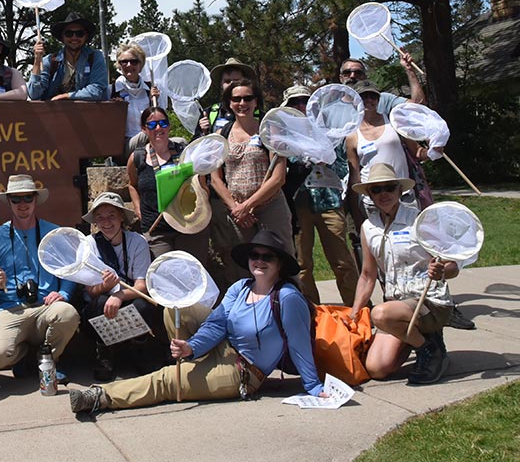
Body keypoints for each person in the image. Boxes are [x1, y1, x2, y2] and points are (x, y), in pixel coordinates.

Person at [70, 229, 323, 414]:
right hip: (223, 347)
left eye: (268, 257)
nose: (259, 261)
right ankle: (185, 359)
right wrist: (191, 347)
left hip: (243, 372)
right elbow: (216, 324)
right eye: (255, 255)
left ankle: (99, 397)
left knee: (166, 381)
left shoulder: (287, 299)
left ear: (279, 265)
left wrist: (313, 387)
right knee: (177, 308)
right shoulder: (241, 287)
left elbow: (300, 344)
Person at [349, 165, 460, 385]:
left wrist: (440, 272)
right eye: (376, 190)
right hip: (396, 306)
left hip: (429, 302)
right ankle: (416, 338)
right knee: (376, 368)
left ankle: (431, 349)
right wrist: (353, 314)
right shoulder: (368, 227)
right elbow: (367, 276)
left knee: (379, 315)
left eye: (389, 188)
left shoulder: (420, 220)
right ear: (369, 195)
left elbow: (453, 266)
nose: (383, 194)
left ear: (401, 190)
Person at [0, 176, 80, 374]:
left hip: (46, 306)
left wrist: (64, 294)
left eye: (27, 198)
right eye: (16, 199)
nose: (22, 204)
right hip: (10, 309)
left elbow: (69, 272)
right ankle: (24, 356)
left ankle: (48, 361)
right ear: (9, 202)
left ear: (36, 200)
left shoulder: (53, 233)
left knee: (67, 314)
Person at [278, 90, 359, 307]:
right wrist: (304, 159)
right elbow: (281, 171)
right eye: (295, 102)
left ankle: (358, 310)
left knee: (343, 261)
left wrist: (327, 159)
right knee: (302, 263)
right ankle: (310, 311)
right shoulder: (284, 136)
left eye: (305, 101)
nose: (301, 106)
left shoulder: (331, 132)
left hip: (329, 200)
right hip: (298, 201)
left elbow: (345, 167)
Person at [210, 77, 293, 286]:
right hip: (238, 214)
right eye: (236, 99)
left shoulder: (269, 132)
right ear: (229, 103)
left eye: (248, 98)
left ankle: (289, 308)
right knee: (245, 268)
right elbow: (215, 178)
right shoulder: (222, 134)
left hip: (269, 208)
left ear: (256, 102)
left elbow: (278, 177)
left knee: (282, 261)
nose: (242, 103)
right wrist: (236, 208)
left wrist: (249, 205)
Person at [77, 193, 161, 381]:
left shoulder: (137, 241)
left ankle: (139, 349)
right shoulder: (90, 244)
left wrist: (120, 296)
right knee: (99, 303)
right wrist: (105, 287)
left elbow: (142, 285)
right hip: (101, 303)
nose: (106, 222)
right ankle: (105, 352)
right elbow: (90, 290)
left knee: (143, 305)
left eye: (111, 215)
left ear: (122, 217)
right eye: (100, 217)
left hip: (127, 297)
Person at [126, 107, 208, 263]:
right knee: (164, 277)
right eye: (152, 125)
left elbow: (200, 185)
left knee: (191, 276)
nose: (158, 128)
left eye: (163, 123)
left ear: (169, 126)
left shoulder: (185, 153)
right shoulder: (137, 157)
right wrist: (137, 209)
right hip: (156, 231)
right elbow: (132, 185)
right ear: (144, 129)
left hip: (187, 227)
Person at [345, 80, 426, 212]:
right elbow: (355, 178)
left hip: (403, 197)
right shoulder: (352, 135)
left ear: (378, 99)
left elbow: (417, 151)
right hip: (372, 200)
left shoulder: (395, 122)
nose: (368, 100)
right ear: (355, 101)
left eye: (373, 96)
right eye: (363, 97)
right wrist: (356, 213)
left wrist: (433, 151)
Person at [27, 11, 109, 101]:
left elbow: (97, 90)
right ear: (62, 37)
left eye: (79, 33)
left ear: (86, 36)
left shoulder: (95, 57)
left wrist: (67, 96)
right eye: (69, 33)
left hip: (87, 113)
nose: (74, 37)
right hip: (53, 114)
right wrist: (37, 60)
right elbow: (33, 94)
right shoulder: (50, 61)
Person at [339, 54, 425, 114]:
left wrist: (410, 70)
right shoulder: (330, 108)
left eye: (358, 73)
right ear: (341, 78)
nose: (352, 76)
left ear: (365, 77)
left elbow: (419, 106)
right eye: (347, 73)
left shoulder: (384, 99)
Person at [195, 58, 259, 136]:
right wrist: (203, 133)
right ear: (221, 84)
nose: (231, 84)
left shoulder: (260, 116)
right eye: (227, 81)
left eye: (236, 81)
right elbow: (195, 145)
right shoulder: (210, 113)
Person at [111, 42, 157, 147]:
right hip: (124, 145)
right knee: (145, 135)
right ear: (119, 65)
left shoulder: (150, 90)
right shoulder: (111, 91)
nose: (129, 65)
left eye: (134, 62)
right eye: (124, 62)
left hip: (151, 141)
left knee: (181, 142)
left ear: (140, 65)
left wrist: (156, 103)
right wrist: (113, 109)